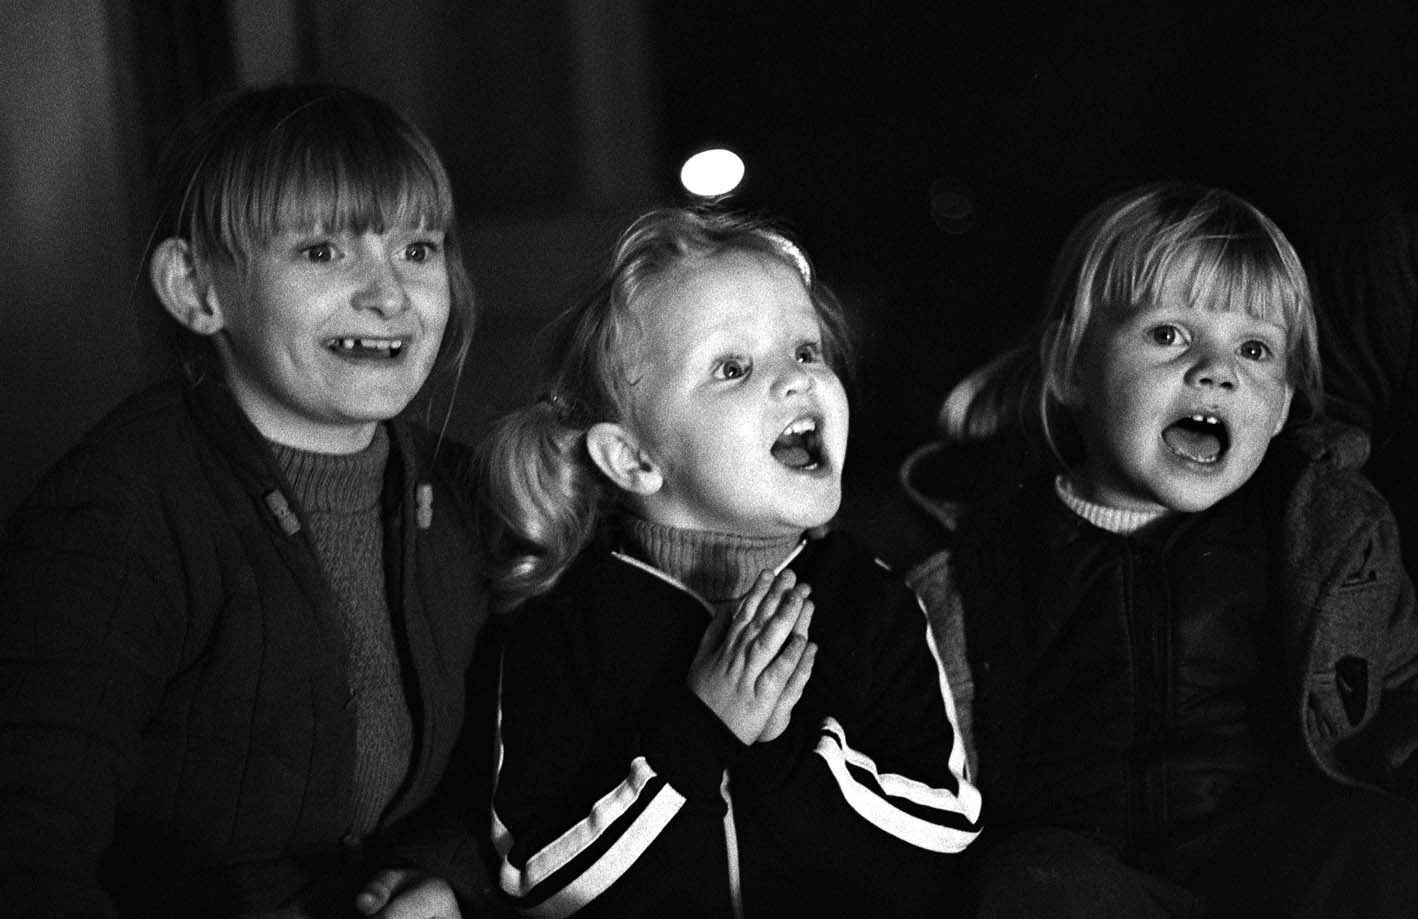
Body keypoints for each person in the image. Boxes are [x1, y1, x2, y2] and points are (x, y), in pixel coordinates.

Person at [0, 83, 496, 918]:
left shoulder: (464, 493)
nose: (389, 295)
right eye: (322, 252)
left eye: (418, 249)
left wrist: (446, 876)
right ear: (197, 289)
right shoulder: (119, 511)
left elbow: (525, 756)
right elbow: (23, 844)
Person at [906, 182, 1418, 918]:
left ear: (1279, 409)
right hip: (1092, 879)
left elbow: (1400, 691)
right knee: (1031, 881)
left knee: (1386, 840)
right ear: (1069, 368)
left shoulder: (1318, 531)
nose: (1217, 370)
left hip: (1268, 871)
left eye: (1254, 349)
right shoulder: (987, 551)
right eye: (1169, 334)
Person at [476, 206, 982, 918]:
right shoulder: (563, 623)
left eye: (807, 351)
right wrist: (700, 732)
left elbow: (945, 837)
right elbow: (540, 880)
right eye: (734, 367)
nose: (798, 380)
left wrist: (786, 756)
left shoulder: (871, 600)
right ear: (635, 458)